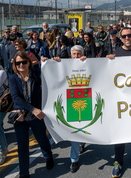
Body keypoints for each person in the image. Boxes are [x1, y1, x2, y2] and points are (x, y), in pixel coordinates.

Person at [106, 28, 131, 178]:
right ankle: (118, 161)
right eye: (124, 36)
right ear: (120, 38)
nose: (127, 38)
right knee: (120, 131)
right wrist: (107, 62)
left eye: (129, 35)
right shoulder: (116, 53)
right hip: (121, 100)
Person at [9, 52, 54, 178]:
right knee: (22, 146)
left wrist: (53, 61)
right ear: (15, 65)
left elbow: (52, 72)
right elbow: (15, 98)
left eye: (24, 62)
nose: (21, 65)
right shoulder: (13, 78)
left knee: (42, 139)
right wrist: (32, 109)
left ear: (29, 62)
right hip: (21, 116)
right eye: (18, 63)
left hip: (36, 116)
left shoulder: (36, 74)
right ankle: (24, 173)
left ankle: (48, 156)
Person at [43, 45, 86, 173]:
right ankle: (74, 160)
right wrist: (52, 63)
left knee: (84, 129)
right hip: (69, 102)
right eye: (74, 54)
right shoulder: (63, 65)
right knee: (74, 132)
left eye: (79, 54)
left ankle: (82, 143)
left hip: (86, 101)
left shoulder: (87, 63)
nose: (76, 56)